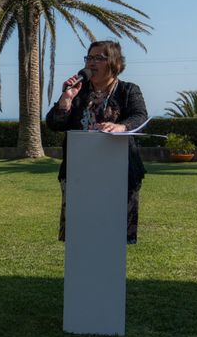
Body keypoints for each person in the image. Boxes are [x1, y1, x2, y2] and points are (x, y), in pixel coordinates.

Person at [45, 40, 147, 244]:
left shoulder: (128, 90)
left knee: (113, 236)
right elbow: (54, 124)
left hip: (120, 173)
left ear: (114, 63)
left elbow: (140, 116)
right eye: (88, 58)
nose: (91, 63)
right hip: (79, 173)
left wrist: (121, 127)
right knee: (81, 235)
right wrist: (66, 99)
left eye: (98, 58)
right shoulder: (78, 92)